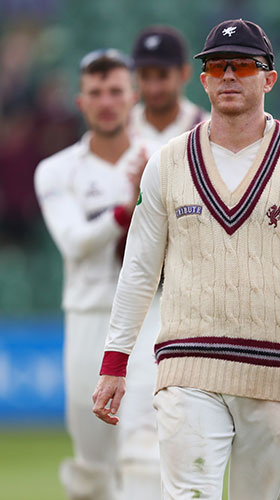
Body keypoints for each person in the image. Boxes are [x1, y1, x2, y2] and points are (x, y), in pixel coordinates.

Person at [91, 19, 280, 500]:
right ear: (203, 79)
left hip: (276, 367)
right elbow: (140, 269)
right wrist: (115, 360)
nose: (229, 75)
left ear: (268, 78)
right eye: (217, 66)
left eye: (244, 64)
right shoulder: (166, 162)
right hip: (188, 364)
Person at [34, 49, 158, 500]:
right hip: (88, 315)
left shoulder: (163, 162)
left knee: (145, 450)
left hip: (150, 317)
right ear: (80, 102)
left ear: (134, 97)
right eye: (96, 93)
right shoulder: (56, 169)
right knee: (92, 466)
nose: (106, 101)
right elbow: (75, 242)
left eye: (115, 91)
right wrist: (129, 207)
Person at [130, 25, 209, 143]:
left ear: (184, 73)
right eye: (144, 76)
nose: (153, 88)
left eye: (163, 76)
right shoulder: (120, 126)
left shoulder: (208, 130)